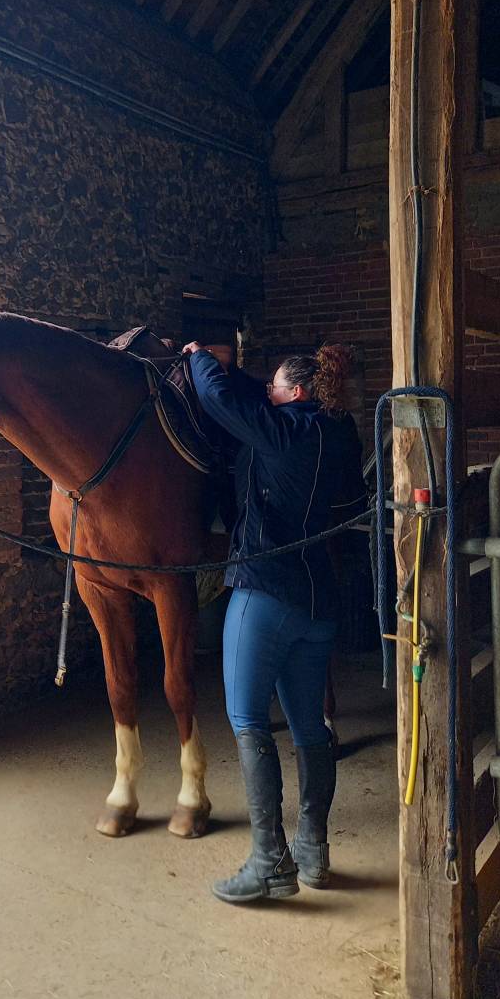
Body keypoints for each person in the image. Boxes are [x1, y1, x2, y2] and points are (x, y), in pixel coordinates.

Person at [183, 341, 367, 903]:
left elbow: (216, 398)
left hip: (265, 594)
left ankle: (268, 862)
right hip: (319, 602)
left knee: (246, 719)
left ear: (298, 393)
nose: (268, 392)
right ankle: (313, 852)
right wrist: (249, 376)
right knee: (311, 727)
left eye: (276, 387)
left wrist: (198, 356)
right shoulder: (339, 431)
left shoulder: (279, 431)